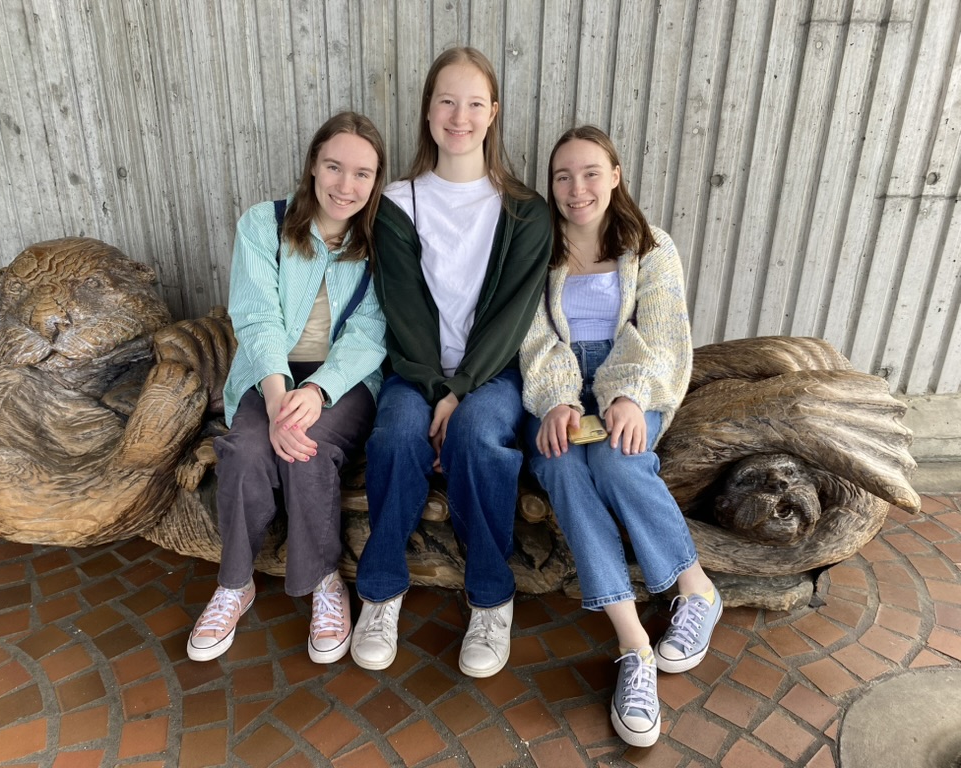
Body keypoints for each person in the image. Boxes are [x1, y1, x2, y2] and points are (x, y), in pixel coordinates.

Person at [350, 47, 551, 678]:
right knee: (395, 436)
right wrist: (438, 386)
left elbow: (512, 318)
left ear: (493, 113)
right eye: (446, 100)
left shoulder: (527, 211)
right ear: (427, 111)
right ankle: (380, 591)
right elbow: (402, 311)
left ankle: (491, 596)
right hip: (415, 370)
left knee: (478, 438)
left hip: (493, 373)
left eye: (473, 103)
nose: (458, 116)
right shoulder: (396, 202)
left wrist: (461, 391)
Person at [519, 126, 722, 747]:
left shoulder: (650, 247)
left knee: (615, 458)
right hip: (559, 385)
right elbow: (531, 335)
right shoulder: (538, 248)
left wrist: (628, 395)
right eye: (562, 177)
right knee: (557, 465)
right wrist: (556, 399)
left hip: (633, 380)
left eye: (589, 173)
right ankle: (634, 647)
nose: (576, 189)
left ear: (615, 174)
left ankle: (695, 586)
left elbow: (662, 336)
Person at [186, 112, 387, 665]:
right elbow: (256, 316)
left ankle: (324, 581)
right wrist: (276, 399)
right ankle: (234, 584)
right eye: (334, 167)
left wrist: (318, 390)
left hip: (343, 380)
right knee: (247, 448)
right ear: (312, 167)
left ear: (376, 181)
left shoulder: (378, 239)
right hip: (269, 370)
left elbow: (371, 334)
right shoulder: (264, 224)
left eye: (363, 174)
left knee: (307, 449)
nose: (346, 185)